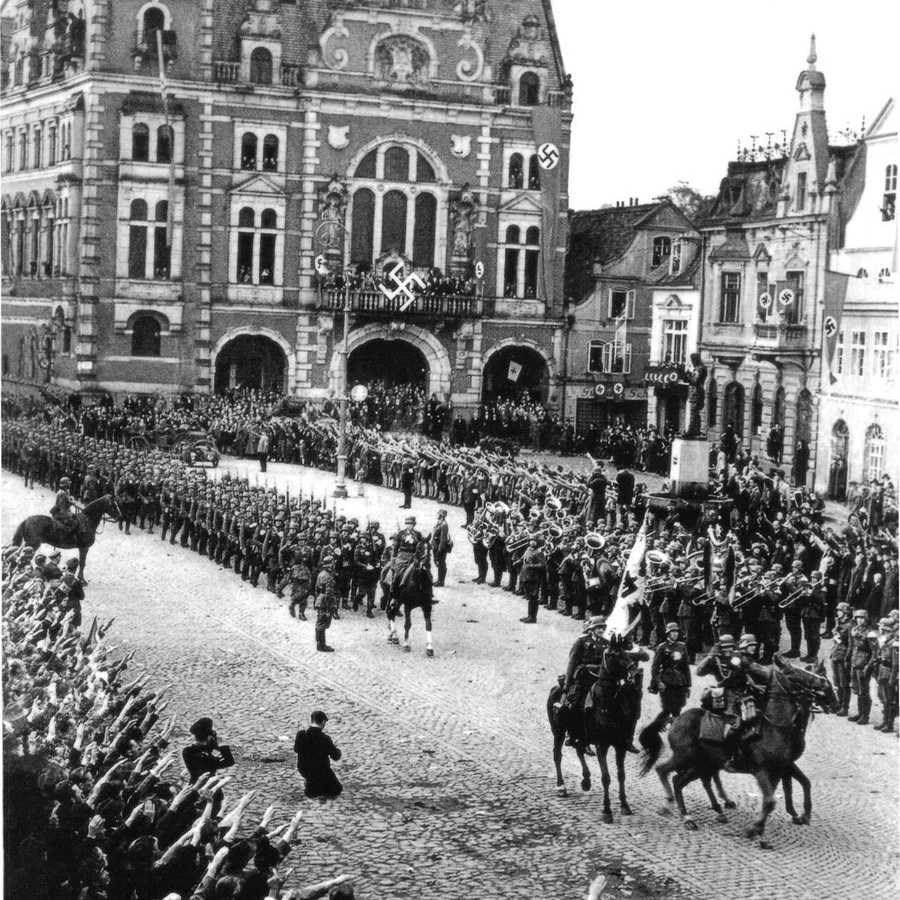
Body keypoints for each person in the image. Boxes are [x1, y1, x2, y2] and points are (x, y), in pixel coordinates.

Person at [560, 615, 609, 751]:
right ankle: (572, 734)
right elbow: (572, 663)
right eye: (598, 628)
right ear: (592, 629)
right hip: (582, 679)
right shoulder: (581, 642)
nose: (600, 630)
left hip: (598, 679)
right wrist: (567, 685)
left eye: (602, 628)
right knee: (576, 705)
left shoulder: (605, 643)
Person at [647, 622, 692, 729]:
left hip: (680, 681)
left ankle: (675, 732)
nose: (675, 634)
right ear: (668, 633)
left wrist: (688, 684)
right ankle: (651, 731)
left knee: (678, 708)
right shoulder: (662, 647)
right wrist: (658, 682)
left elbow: (685, 666)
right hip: (667, 681)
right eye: (672, 632)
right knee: (667, 709)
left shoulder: (682, 646)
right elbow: (655, 667)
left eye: (676, 631)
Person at [293, 710, 342, 799]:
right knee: (337, 789)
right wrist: (338, 751)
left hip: (304, 770)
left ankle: (310, 786)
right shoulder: (325, 738)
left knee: (313, 788)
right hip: (322, 771)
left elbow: (296, 749)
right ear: (323, 722)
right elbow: (336, 756)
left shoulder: (301, 735)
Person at [182, 717, 235, 783]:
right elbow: (229, 761)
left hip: (196, 785)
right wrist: (221, 744)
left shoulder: (187, 751)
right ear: (208, 736)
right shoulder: (197, 752)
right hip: (207, 785)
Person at [519, 537, 547, 623]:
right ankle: (529, 615)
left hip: (534, 577)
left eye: (534, 541)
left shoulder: (538, 552)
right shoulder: (529, 550)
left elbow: (542, 565)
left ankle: (533, 617)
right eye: (531, 541)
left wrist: (530, 566)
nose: (532, 542)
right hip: (527, 576)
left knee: (534, 597)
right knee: (530, 597)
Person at [314, 555, 339, 652]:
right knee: (323, 623)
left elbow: (316, 589)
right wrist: (329, 607)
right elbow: (329, 593)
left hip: (320, 599)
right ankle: (321, 645)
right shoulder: (329, 577)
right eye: (333, 563)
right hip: (325, 602)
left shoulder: (321, 574)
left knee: (319, 623)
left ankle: (319, 643)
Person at [431, 508, 452, 589]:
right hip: (436, 545)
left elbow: (443, 539)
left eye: (438, 513)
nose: (437, 514)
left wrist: (440, 550)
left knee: (441, 564)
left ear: (441, 516)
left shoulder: (444, 525)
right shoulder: (439, 523)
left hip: (440, 547)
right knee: (439, 563)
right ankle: (439, 580)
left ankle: (441, 581)